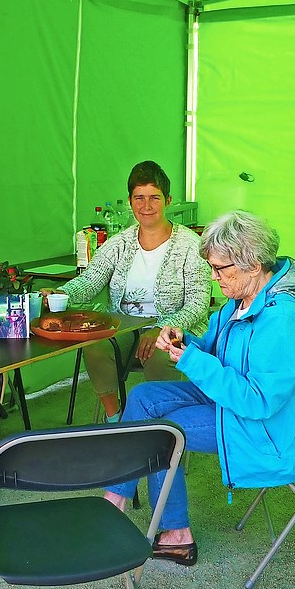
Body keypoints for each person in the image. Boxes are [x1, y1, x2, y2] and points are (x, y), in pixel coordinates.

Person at [104, 210, 295, 566]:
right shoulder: (245, 296)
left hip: (263, 429)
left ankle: (176, 534)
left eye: (220, 269)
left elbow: (259, 401)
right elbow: (217, 348)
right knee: (144, 398)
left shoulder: (283, 318)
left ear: (252, 264)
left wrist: (192, 361)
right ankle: (116, 498)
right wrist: (186, 343)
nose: (213, 277)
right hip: (230, 400)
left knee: (163, 433)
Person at [50, 160, 211, 421]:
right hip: (126, 327)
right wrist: (60, 295)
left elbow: (198, 302)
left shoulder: (191, 246)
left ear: (168, 201)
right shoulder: (120, 243)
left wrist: (164, 328)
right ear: (130, 200)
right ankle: (116, 418)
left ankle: (161, 427)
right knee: (96, 346)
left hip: (176, 329)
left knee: (161, 355)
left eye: (154, 198)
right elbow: (91, 280)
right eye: (139, 198)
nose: (146, 206)